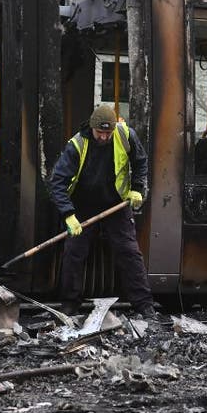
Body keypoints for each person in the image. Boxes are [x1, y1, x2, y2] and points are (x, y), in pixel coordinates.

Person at [47, 104, 157, 318]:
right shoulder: (77, 145)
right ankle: (69, 304)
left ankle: (144, 305)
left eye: (108, 133)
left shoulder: (126, 135)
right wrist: (69, 215)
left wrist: (136, 189)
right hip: (83, 205)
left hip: (116, 204)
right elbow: (57, 182)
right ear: (92, 128)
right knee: (73, 253)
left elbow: (141, 162)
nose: (105, 137)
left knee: (129, 252)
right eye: (101, 132)